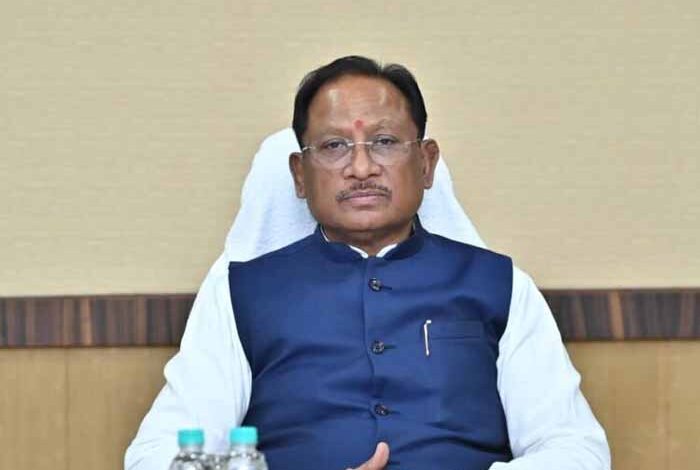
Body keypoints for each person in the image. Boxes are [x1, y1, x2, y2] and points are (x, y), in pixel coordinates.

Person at [126, 56, 610, 470]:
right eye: (334, 146)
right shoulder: (239, 293)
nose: (361, 168)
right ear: (299, 174)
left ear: (426, 163)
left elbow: (575, 449)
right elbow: (158, 455)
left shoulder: (500, 285)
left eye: (385, 142)